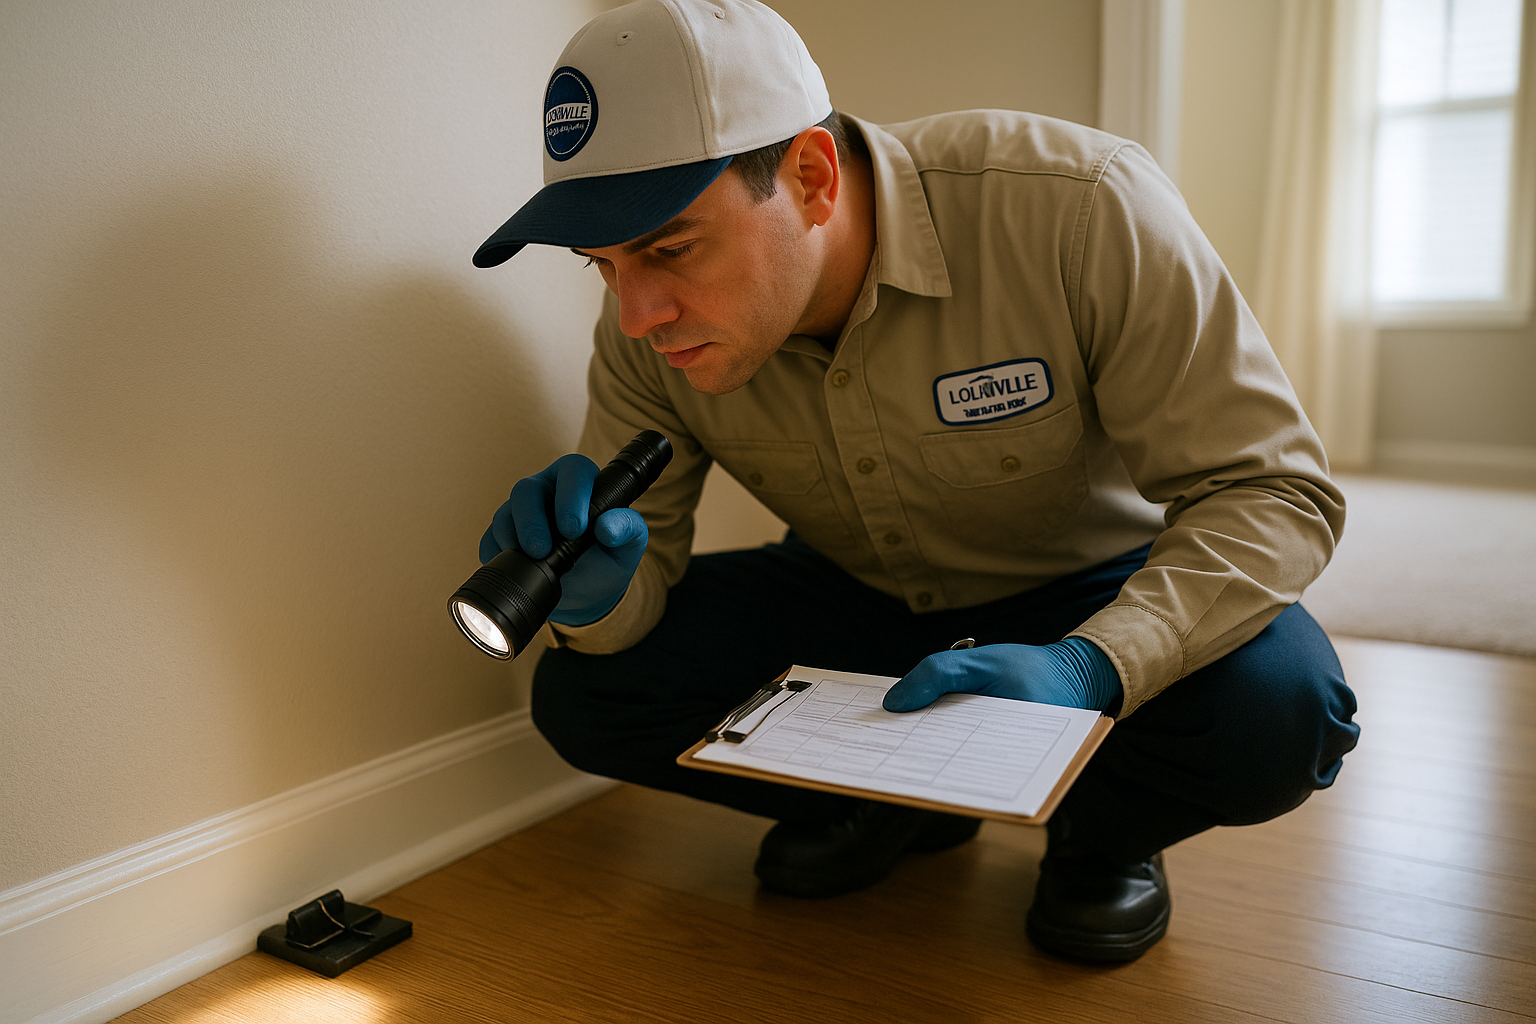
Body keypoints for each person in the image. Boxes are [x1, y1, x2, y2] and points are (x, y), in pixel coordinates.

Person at [469, 0, 1360, 963]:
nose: (638, 312)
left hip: (1089, 591)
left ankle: (1105, 834)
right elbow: (636, 587)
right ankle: (886, 807)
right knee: (584, 692)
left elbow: (1274, 490)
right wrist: (594, 599)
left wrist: (1093, 666)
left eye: (670, 246)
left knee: (1282, 714)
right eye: (602, 264)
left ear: (810, 177)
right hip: (854, 590)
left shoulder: (1079, 207)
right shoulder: (646, 334)